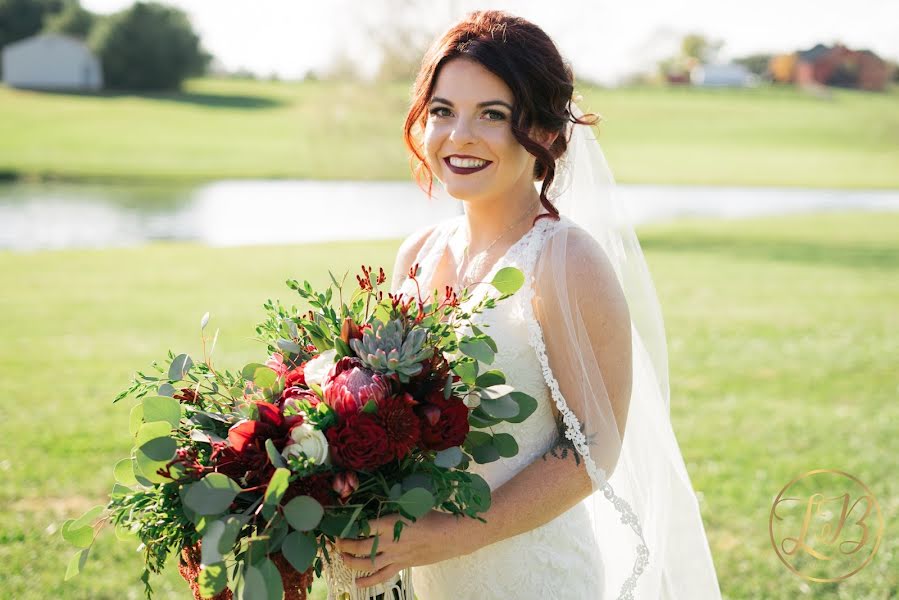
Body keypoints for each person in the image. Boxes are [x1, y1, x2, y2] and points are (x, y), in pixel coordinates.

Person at [335, 10, 722, 599]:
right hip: (425, 573)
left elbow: (595, 446)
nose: (459, 136)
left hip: (529, 575)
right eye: (442, 111)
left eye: (492, 115)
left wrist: (447, 535)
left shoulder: (566, 260)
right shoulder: (416, 254)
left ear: (542, 130)